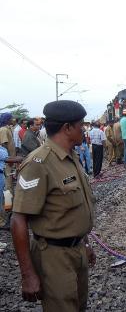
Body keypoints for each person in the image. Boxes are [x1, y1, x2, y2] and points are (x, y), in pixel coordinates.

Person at [10, 100, 96, 311]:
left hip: (77, 251)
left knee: (79, 306)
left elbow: (72, 210)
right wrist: (28, 275)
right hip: (54, 258)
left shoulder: (71, 157)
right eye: (80, 125)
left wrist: (83, 242)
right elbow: (18, 220)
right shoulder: (39, 163)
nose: (84, 129)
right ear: (67, 128)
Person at [0, 113, 16, 193]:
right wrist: (8, 159)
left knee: (10, 178)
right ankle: (6, 201)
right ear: (7, 120)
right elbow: (3, 145)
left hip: (11, 159)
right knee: (8, 180)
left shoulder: (8, 128)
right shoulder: (3, 129)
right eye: (12, 118)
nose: (14, 120)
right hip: (7, 160)